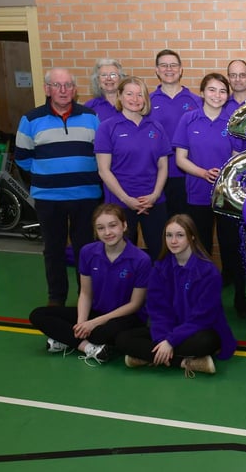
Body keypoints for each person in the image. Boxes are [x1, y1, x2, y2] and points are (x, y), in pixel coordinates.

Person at [15, 67, 102, 306]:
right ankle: (56, 298)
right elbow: (22, 158)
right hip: (48, 198)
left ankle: (88, 298)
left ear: (75, 90)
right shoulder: (30, 119)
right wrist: (48, 174)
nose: (63, 90)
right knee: (53, 250)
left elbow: (101, 154)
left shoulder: (91, 117)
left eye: (68, 85)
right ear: (47, 89)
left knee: (85, 250)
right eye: (57, 85)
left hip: (86, 196)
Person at [115, 214, 237, 377]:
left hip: (201, 330)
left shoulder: (208, 272)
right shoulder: (160, 268)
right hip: (170, 329)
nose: (173, 241)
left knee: (205, 342)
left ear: (192, 237)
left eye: (180, 235)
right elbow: (158, 311)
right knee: (122, 339)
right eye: (169, 235)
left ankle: (148, 357)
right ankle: (184, 362)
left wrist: (171, 342)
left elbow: (202, 317)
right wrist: (163, 340)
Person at [29, 203, 150, 364]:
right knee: (38, 314)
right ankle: (88, 347)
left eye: (112, 226)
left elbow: (135, 304)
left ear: (124, 225)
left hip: (126, 317)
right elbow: (86, 293)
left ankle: (66, 339)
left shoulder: (141, 259)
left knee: (101, 333)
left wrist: (93, 323)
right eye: (101, 228)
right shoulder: (88, 252)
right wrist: (81, 323)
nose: (107, 232)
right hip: (97, 311)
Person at [173, 73, 246, 319]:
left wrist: (226, 174)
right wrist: (202, 172)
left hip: (226, 196)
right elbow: (180, 159)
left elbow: (237, 158)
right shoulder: (188, 119)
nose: (217, 95)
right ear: (203, 92)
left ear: (227, 95)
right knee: (201, 249)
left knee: (231, 248)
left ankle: (240, 298)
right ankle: (202, 300)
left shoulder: (232, 122)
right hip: (197, 196)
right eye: (212, 90)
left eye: (221, 91)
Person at [95, 76, 170, 261]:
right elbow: (104, 170)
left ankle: (157, 290)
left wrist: (154, 195)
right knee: (122, 257)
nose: (135, 99)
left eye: (139, 95)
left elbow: (163, 166)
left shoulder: (156, 126)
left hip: (153, 202)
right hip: (120, 204)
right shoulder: (107, 128)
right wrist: (127, 199)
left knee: (160, 254)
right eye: (129, 94)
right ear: (120, 96)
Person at [149, 49, 202, 218]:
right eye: (164, 65)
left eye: (173, 65)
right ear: (157, 70)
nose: (169, 69)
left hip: (187, 175)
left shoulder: (196, 101)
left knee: (187, 226)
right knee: (163, 228)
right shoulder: (147, 102)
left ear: (181, 70)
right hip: (156, 175)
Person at [85, 58, 126, 122]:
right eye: (104, 75)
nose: (109, 78)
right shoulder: (90, 106)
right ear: (97, 80)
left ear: (121, 79)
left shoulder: (130, 103)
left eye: (113, 75)